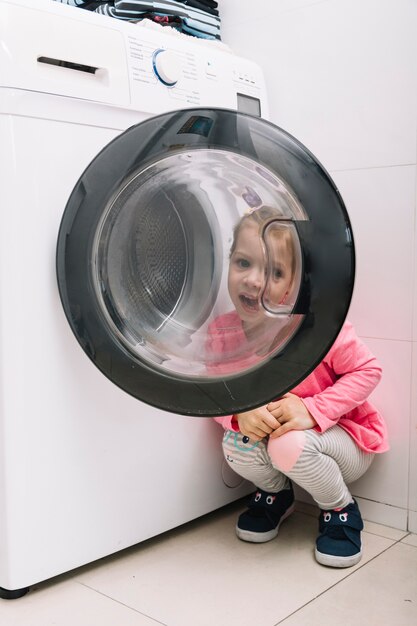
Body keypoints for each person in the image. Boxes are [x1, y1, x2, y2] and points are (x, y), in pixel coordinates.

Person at [206, 205, 388, 568]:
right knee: (236, 441)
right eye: (244, 263)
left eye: (274, 272)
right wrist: (239, 413)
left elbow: (368, 370)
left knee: (288, 443)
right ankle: (276, 495)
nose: (254, 281)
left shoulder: (316, 328)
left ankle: (341, 508)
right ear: (228, 265)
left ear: (295, 282)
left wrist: (311, 409)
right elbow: (213, 392)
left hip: (344, 442)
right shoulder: (222, 332)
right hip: (280, 447)